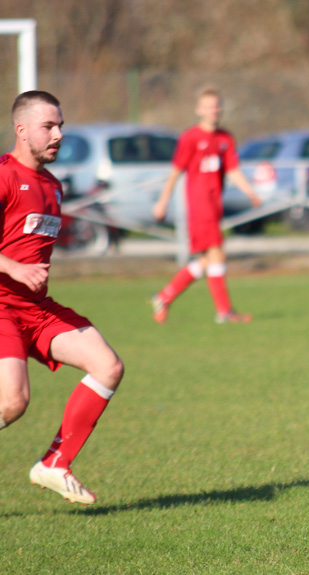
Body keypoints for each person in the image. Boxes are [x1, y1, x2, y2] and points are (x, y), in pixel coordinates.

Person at [0, 91, 125, 505]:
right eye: (48, 126)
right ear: (21, 130)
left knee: (107, 366)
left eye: (61, 126)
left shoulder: (52, 185)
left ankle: (55, 463)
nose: (58, 134)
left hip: (35, 309)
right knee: (13, 403)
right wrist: (15, 268)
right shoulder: (2, 176)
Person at [151, 86, 261, 324]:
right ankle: (224, 311)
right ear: (199, 110)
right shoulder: (190, 138)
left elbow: (232, 169)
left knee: (207, 260)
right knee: (216, 253)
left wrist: (250, 192)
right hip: (200, 207)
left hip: (215, 205)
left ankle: (164, 296)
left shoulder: (225, 138)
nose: (214, 110)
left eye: (217, 106)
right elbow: (175, 172)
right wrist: (162, 202)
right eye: (209, 106)